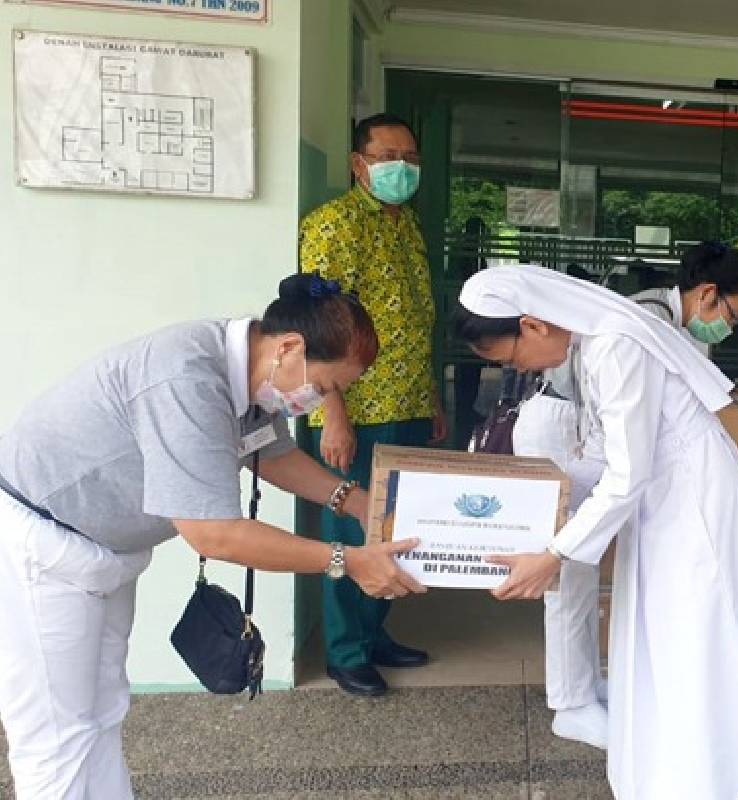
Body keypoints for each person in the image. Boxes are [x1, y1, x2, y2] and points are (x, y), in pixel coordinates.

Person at [0, 274, 426, 799]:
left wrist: (360, 504)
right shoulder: (185, 379)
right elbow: (214, 535)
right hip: (43, 546)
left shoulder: (250, 374)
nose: (319, 402)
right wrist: (347, 560)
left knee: (102, 709)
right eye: (328, 386)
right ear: (290, 347)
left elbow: (275, 457)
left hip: (106, 550)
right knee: (54, 735)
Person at [456, 266, 738, 800]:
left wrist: (555, 551)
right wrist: (543, 511)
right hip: (666, 499)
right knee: (665, 628)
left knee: (695, 630)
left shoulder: (614, 345)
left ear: (533, 325)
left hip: (693, 501)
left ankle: (714, 769)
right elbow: (606, 453)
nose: (515, 371)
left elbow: (627, 472)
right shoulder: (595, 345)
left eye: (509, 360)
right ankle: (683, 763)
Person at [511, 242, 738, 750]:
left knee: (584, 567)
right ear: (708, 293)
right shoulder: (646, 318)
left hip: (589, 435)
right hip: (565, 428)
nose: (732, 329)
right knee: (568, 572)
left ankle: (584, 683)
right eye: (735, 316)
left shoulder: (668, 317)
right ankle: (571, 704)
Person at [299, 112, 446, 696]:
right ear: (358, 163)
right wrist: (332, 410)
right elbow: (320, 328)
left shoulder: (407, 224)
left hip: (407, 400)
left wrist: (431, 394)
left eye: (410, 159)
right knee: (352, 528)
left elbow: (416, 318)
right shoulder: (333, 226)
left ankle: (375, 630)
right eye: (388, 157)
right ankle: (345, 651)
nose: (401, 168)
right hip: (354, 411)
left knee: (396, 526)